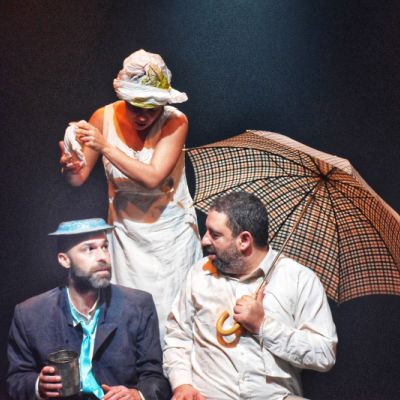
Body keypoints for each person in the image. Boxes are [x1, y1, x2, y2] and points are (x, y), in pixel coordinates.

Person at [59, 49, 202, 340]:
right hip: (126, 235)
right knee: (130, 317)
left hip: (170, 237)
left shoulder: (176, 121)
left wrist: (105, 147)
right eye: (136, 106)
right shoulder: (103, 117)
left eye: (152, 108)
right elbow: (78, 178)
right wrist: (70, 166)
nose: (143, 115)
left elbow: (152, 177)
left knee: (172, 319)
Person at [163, 192, 338, 400]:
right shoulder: (199, 273)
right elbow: (178, 336)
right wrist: (182, 385)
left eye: (215, 235)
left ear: (244, 240)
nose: (204, 240)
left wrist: (263, 326)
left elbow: (324, 354)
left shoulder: (299, 279)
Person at [7, 218, 171, 400]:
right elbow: (16, 380)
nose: (103, 256)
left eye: (105, 247)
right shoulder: (31, 313)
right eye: (89, 249)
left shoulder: (138, 305)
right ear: (64, 260)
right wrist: (39, 385)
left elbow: (155, 378)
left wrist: (137, 394)